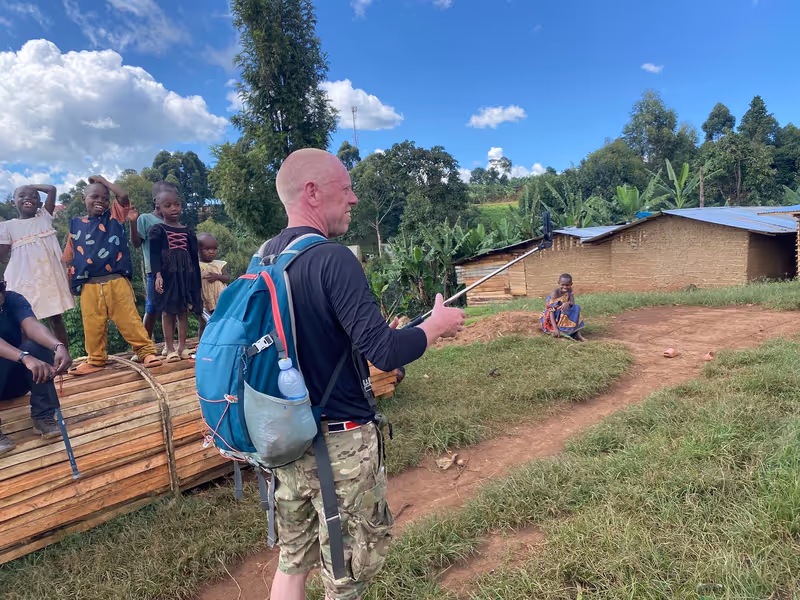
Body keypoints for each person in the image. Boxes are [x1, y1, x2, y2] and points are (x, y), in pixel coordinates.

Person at [263, 148, 465, 600]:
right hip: (339, 446)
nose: (353, 199)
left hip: (286, 440)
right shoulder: (332, 258)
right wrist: (435, 327)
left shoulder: (264, 259)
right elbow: (386, 352)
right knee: (347, 572)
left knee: (292, 560)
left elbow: (304, 341)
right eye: (346, 188)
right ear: (312, 192)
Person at [62, 175, 160, 375]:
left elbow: (123, 195)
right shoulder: (75, 224)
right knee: (92, 325)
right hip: (89, 285)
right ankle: (96, 360)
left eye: (105, 198)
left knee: (129, 320)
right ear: (83, 199)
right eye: (94, 197)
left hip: (116, 281)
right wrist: (69, 280)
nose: (100, 201)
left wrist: (103, 181)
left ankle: (146, 352)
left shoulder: (114, 216)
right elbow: (69, 257)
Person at [0, 281, 73, 454]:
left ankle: (43, 416)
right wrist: (24, 357)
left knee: (38, 345)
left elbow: (31, 325)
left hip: (13, 382)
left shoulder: (13, 300)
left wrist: (58, 346)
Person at [0, 184, 74, 347]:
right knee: (26, 322)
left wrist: (27, 186)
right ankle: (29, 365)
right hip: (22, 279)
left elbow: (51, 189)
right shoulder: (7, 226)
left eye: (34, 196)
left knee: (56, 318)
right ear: (13, 202)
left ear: (40, 203)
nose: (28, 198)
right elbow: (2, 254)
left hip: (48, 276)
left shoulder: (44, 216)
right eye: (22, 196)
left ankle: (64, 359)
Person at [149, 182, 202, 361]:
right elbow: (154, 255)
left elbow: (194, 258)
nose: (174, 208)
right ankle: (169, 347)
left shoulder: (188, 232)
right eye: (168, 205)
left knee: (183, 311)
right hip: (167, 276)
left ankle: (182, 347)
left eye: (177, 204)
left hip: (184, 276)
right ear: (159, 208)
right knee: (167, 311)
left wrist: (195, 281)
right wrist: (157, 276)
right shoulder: (157, 230)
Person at [128, 183, 165, 342]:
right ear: (156, 201)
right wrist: (133, 222)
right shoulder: (145, 219)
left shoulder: (172, 220)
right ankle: (144, 345)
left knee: (174, 308)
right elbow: (137, 243)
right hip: (154, 270)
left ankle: (171, 346)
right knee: (151, 308)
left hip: (174, 270)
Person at [197, 232, 230, 339]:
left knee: (222, 321)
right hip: (205, 300)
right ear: (198, 249)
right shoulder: (196, 266)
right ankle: (202, 343)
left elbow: (228, 278)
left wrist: (218, 276)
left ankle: (220, 342)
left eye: (214, 248)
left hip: (220, 298)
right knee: (204, 324)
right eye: (207, 249)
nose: (211, 251)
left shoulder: (220, 264)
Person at [540, 273, 586, 341]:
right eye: (562, 285)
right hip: (552, 313)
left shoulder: (570, 290)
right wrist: (555, 328)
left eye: (567, 285)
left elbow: (572, 303)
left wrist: (567, 303)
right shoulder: (555, 293)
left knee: (576, 308)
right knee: (563, 310)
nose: (565, 287)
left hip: (562, 309)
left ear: (571, 284)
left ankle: (578, 334)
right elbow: (551, 311)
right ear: (558, 283)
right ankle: (561, 330)